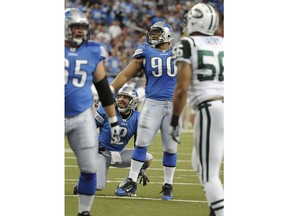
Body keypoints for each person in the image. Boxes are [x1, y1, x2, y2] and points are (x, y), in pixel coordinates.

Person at [111, 21, 179, 200]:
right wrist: (109, 90)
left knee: (170, 147)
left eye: (157, 33)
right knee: (141, 143)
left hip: (173, 105)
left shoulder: (180, 52)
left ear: (167, 34)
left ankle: (168, 185)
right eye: (153, 33)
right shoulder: (145, 51)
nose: (153, 36)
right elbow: (126, 74)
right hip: (152, 103)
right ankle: (131, 182)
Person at [65, 8, 121, 216]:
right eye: (75, 27)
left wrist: (113, 120)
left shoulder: (93, 50)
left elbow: (103, 89)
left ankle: (84, 212)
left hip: (81, 117)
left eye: (82, 27)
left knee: (89, 168)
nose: (79, 31)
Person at [169, 3, 224, 216]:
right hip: (223, 105)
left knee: (210, 174)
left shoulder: (187, 43)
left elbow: (182, 88)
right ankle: (215, 206)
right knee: (197, 160)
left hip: (211, 107)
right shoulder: (224, 43)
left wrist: (175, 120)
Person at [73, 86, 153, 196]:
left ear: (133, 101)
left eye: (125, 97)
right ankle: (82, 184)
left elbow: (139, 146)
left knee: (147, 158)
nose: (121, 99)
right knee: (98, 186)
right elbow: (89, 128)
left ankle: (125, 186)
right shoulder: (107, 110)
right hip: (102, 153)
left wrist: (141, 168)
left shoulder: (138, 118)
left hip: (119, 154)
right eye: (120, 96)